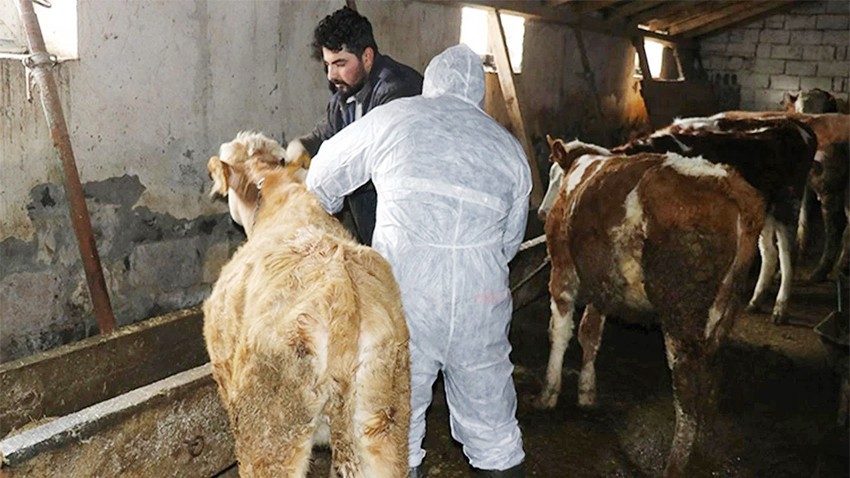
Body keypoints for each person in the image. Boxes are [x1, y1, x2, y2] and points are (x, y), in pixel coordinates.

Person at [306, 44, 530, 478]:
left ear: (432, 82)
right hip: (480, 301)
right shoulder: (508, 148)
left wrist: (329, 207)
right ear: (478, 92)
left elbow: (322, 176)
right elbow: (510, 242)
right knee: (494, 429)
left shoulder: (396, 118)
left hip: (407, 295)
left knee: (394, 427)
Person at [289, 6, 423, 246]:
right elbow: (325, 135)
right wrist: (302, 146)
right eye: (327, 64)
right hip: (374, 230)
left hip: (408, 229)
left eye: (340, 63)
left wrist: (319, 177)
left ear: (367, 57)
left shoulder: (399, 93)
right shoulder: (344, 97)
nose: (331, 74)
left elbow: (380, 163)